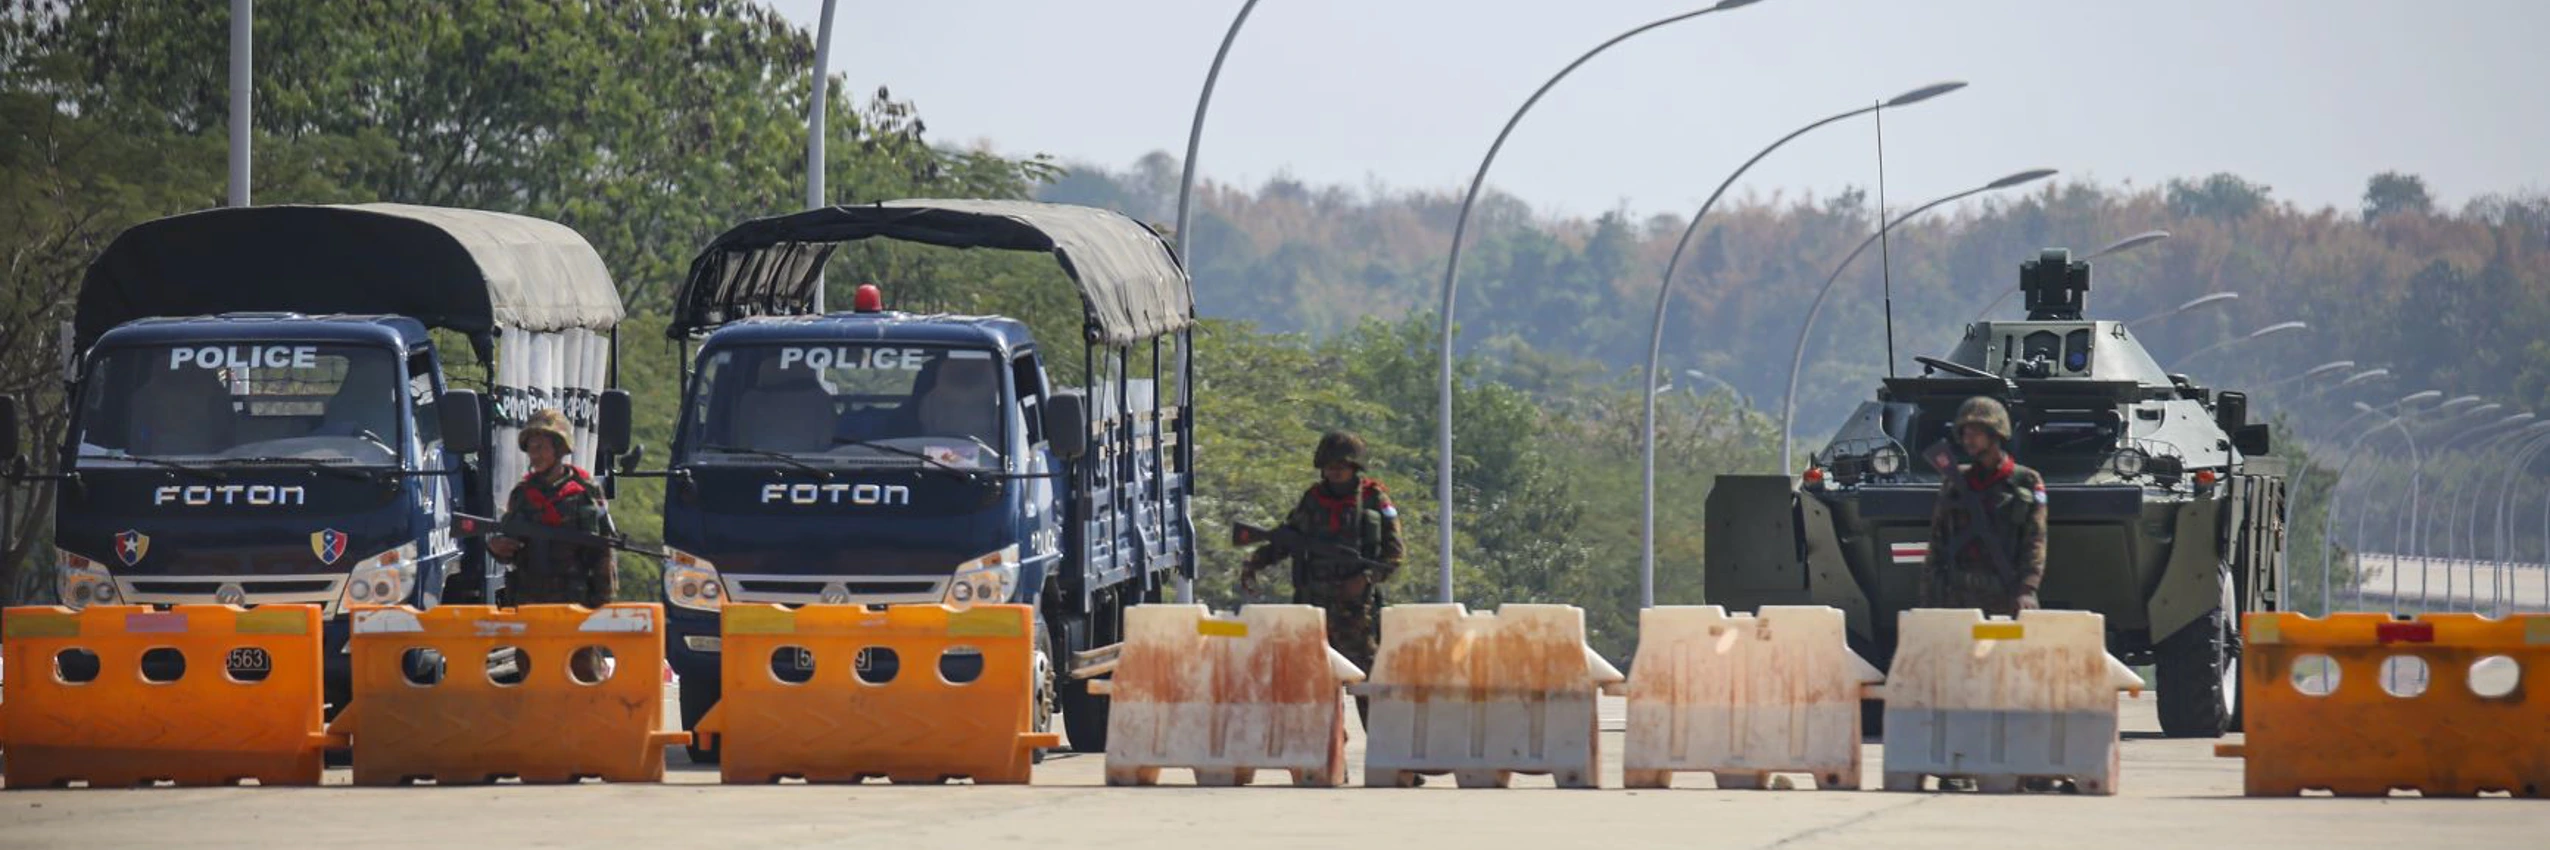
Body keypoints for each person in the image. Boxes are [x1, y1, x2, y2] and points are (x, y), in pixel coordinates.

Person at [1239, 430, 1403, 722]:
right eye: (1329, 466)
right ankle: (1328, 763)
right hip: (1313, 608)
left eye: (1341, 465)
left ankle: (1387, 761)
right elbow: (1286, 539)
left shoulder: (1374, 499)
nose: (1335, 472)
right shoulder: (1313, 499)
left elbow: (1393, 556)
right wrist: (1255, 563)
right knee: (1315, 687)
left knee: (1368, 684)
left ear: (1355, 467)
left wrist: (1365, 578)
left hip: (1354, 613)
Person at [1920, 396, 2048, 616]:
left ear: (1995, 434)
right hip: (1957, 596)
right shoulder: (1955, 481)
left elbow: (2035, 539)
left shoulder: (2026, 481)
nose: (1967, 440)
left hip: (2006, 594)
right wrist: (1929, 596)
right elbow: (1937, 540)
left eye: (1975, 434)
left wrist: (2028, 588)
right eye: (1964, 434)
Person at [487, 409, 618, 608]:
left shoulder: (585, 492)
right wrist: (497, 547)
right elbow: (510, 549)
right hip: (528, 605)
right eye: (531, 447)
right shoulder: (522, 494)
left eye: (541, 447)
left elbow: (604, 552)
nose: (535, 454)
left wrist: (602, 606)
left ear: (559, 449)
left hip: (575, 606)